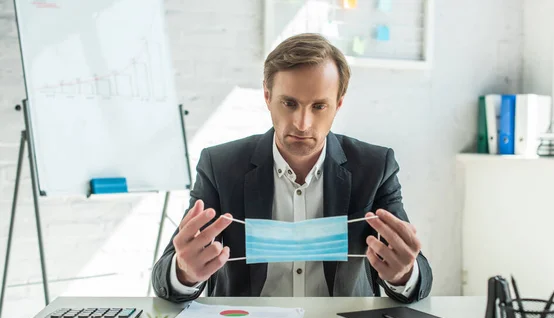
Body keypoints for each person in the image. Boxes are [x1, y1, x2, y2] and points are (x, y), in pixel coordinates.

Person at [152, 33, 432, 303]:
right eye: (289, 103)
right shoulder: (220, 166)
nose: (302, 123)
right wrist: (184, 273)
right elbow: (165, 278)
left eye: (319, 106)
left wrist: (403, 275)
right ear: (267, 96)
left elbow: (418, 278)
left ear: (339, 104)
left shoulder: (374, 167)